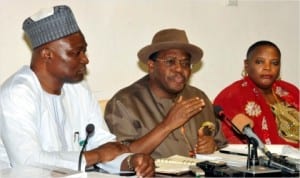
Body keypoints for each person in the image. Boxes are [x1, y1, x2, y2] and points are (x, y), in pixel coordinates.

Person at [0, 5, 154, 176]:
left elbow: (104, 144)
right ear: (47, 54)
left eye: (84, 50)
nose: (85, 59)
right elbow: (28, 161)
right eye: (76, 52)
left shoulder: (78, 88)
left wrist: (130, 161)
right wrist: (96, 155)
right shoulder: (16, 94)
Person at [104, 28, 227, 159]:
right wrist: (167, 125)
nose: (179, 69)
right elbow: (120, 159)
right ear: (151, 66)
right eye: (170, 61)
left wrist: (212, 145)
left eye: (185, 63)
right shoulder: (124, 103)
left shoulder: (198, 97)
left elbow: (221, 143)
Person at [214, 40, 299, 148]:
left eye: (274, 63)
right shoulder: (232, 95)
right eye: (259, 62)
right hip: (266, 161)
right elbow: (231, 143)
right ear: (247, 65)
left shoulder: (290, 90)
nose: (267, 68)